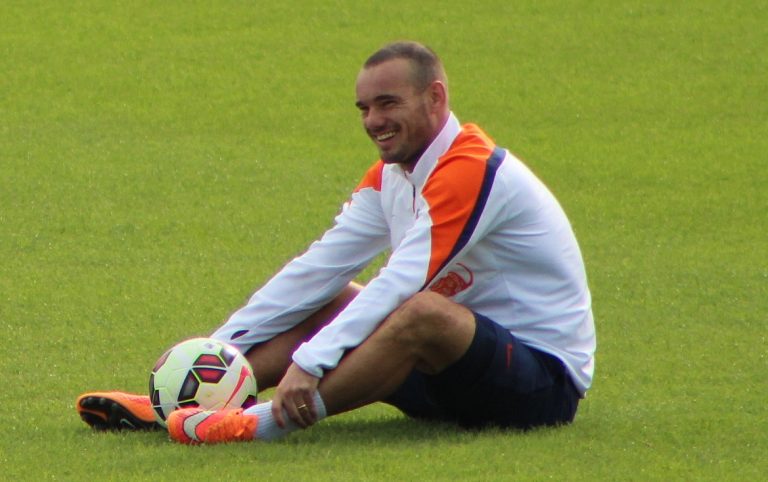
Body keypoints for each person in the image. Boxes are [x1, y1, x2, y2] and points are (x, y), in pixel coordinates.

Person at [76, 41, 596, 444]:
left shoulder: (473, 168)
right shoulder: (391, 175)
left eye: (388, 103)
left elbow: (402, 280)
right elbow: (316, 269)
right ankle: (185, 404)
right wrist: (209, 355)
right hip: (445, 377)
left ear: (435, 97)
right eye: (364, 108)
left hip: (537, 387)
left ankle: (260, 425)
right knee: (331, 294)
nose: (374, 121)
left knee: (422, 312)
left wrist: (312, 362)